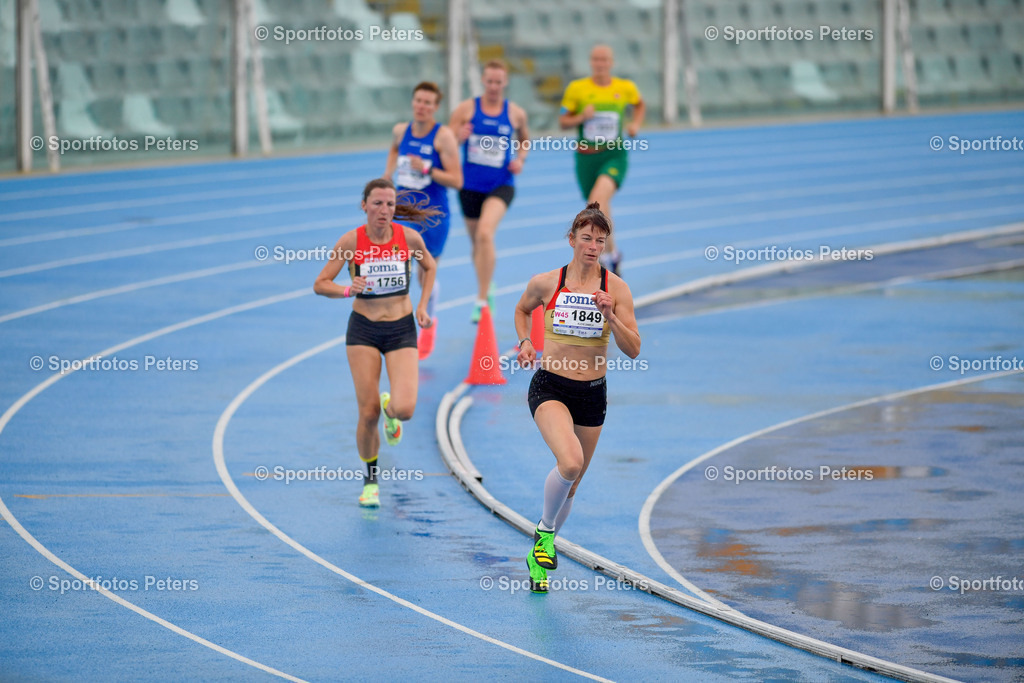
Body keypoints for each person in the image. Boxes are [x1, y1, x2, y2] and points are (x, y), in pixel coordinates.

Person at [513, 202, 641, 593]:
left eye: (600, 241)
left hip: (592, 393)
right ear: (571, 239)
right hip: (550, 385)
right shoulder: (547, 282)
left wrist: (612, 317)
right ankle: (545, 534)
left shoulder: (615, 288)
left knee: (572, 484)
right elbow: (522, 309)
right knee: (570, 462)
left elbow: (634, 348)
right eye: (586, 238)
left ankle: (538, 560)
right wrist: (524, 342)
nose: (593, 246)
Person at [314, 178, 438, 508]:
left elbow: (430, 265)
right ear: (364, 206)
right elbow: (320, 283)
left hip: (401, 329)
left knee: (406, 410)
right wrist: (346, 289)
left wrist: (423, 305)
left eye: (390, 204)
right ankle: (370, 480)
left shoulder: (408, 237)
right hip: (363, 330)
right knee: (367, 413)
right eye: (378, 203)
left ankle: (391, 410)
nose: (384, 210)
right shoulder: (351, 241)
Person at [384, 81, 463, 359]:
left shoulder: (443, 137)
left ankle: (428, 319)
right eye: (418, 100)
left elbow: (457, 180)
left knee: (425, 273)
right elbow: (395, 148)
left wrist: (428, 168)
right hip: (404, 214)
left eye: (428, 103)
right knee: (398, 262)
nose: (422, 106)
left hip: (433, 216)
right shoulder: (399, 131)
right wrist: (387, 174)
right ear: (413, 102)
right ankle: (399, 327)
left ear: (435, 107)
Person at [449, 59, 530, 323]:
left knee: (485, 233)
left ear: (505, 83)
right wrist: (459, 136)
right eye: (490, 81)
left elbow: (525, 139)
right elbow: (446, 144)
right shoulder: (466, 109)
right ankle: (488, 285)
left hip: (501, 184)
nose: (494, 86)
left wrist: (520, 159)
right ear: (483, 81)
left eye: (499, 82)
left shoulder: (515, 112)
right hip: (469, 185)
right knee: (477, 245)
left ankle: (482, 299)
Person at [559, 44, 645, 276]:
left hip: (614, 155)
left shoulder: (624, 87)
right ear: (591, 62)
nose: (600, 64)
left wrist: (635, 124)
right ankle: (613, 253)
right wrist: (581, 117)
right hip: (586, 158)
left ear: (611, 62)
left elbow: (639, 105)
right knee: (600, 206)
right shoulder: (577, 89)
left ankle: (603, 258)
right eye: (596, 59)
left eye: (604, 60)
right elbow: (563, 121)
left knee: (596, 201)